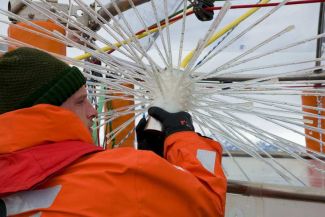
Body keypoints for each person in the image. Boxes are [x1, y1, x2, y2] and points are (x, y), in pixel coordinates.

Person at [0, 47, 227, 217]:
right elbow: (207, 202)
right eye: (80, 101)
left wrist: (162, 173)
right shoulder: (120, 172)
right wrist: (182, 133)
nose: (92, 111)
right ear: (45, 111)